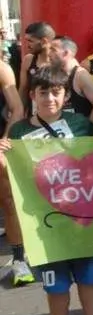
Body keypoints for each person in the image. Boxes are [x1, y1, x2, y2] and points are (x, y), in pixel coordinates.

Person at [2, 67, 93, 315]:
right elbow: (12, 176)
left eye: (56, 92)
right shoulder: (19, 132)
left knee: (88, 278)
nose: (50, 98)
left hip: (81, 219)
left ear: (66, 95)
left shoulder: (80, 125)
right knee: (55, 283)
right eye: (43, 92)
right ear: (32, 95)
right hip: (45, 223)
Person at [0, 58, 26, 285]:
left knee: (8, 201)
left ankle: (19, 259)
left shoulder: (2, 68)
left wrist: (5, 141)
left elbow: (17, 108)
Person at [49, 36, 93, 120]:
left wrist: (89, 126)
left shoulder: (81, 75)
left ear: (66, 53)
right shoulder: (55, 73)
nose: (49, 53)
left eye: (53, 50)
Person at [18, 21, 56, 110]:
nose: (27, 45)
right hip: (34, 115)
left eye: (30, 41)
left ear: (44, 41)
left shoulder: (61, 61)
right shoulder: (28, 60)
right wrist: (20, 111)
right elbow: (23, 89)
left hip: (56, 113)